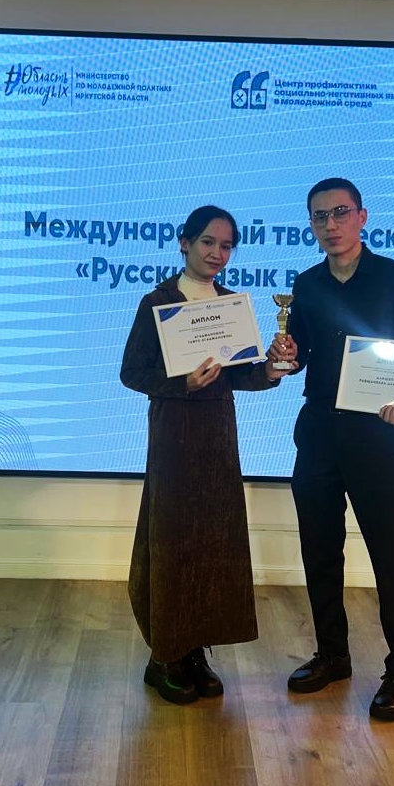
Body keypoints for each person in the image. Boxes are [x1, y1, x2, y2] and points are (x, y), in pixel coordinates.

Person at [120, 205, 297, 706]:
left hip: (218, 438)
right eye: (207, 242)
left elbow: (241, 375)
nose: (217, 253)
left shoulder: (230, 306)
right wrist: (183, 383)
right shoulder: (157, 302)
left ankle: (195, 650)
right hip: (174, 437)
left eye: (226, 245)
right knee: (173, 543)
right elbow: (132, 373)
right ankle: (164, 657)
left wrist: (272, 369)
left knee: (213, 545)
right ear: (184, 243)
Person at [282, 177, 394, 721]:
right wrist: (285, 356)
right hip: (319, 431)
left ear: (363, 217)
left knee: (392, 556)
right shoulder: (306, 284)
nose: (331, 224)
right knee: (319, 550)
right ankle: (333, 654)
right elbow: (299, 356)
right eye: (319, 216)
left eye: (340, 212)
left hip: (376, 434)